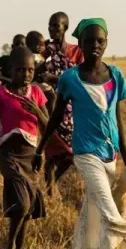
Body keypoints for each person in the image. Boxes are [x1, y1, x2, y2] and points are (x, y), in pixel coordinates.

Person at [36, 18, 126, 249]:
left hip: (110, 154)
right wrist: (40, 149)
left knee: (90, 217)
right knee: (107, 212)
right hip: (84, 152)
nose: (95, 45)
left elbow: (117, 118)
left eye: (100, 41)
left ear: (106, 43)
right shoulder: (70, 78)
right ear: (79, 44)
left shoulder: (116, 75)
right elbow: (55, 117)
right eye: (89, 41)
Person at [0, 46, 49, 249]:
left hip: (30, 156)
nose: (26, 74)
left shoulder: (37, 93)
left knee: (26, 211)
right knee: (21, 205)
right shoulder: (0, 94)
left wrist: (37, 110)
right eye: (21, 70)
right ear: (11, 70)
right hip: (9, 155)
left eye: (30, 70)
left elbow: (47, 125)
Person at [38, 13, 85, 194]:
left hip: (72, 111)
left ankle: (53, 183)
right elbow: (34, 72)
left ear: (65, 28)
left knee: (70, 155)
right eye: (50, 25)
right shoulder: (45, 52)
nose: (51, 29)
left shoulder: (77, 52)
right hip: (50, 108)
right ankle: (49, 189)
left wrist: (54, 78)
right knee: (51, 153)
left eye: (56, 26)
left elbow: (81, 81)